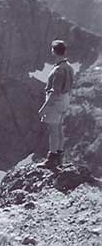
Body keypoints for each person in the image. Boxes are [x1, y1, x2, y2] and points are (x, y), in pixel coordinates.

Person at [37, 40, 74, 169]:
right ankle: (59, 158)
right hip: (65, 100)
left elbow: (54, 93)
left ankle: (51, 159)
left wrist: (43, 108)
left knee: (53, 130)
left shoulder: (58, 70)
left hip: (56, 102)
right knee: (59, 129)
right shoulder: (68, 66)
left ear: (53, 51)